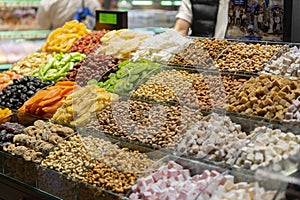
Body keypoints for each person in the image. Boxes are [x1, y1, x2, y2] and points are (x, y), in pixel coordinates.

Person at [36, 0, 101, 30]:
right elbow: (98, 22)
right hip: (84, 42)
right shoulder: (92, 1)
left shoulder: (47, 2)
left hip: (56, 41)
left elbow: (43, 25)